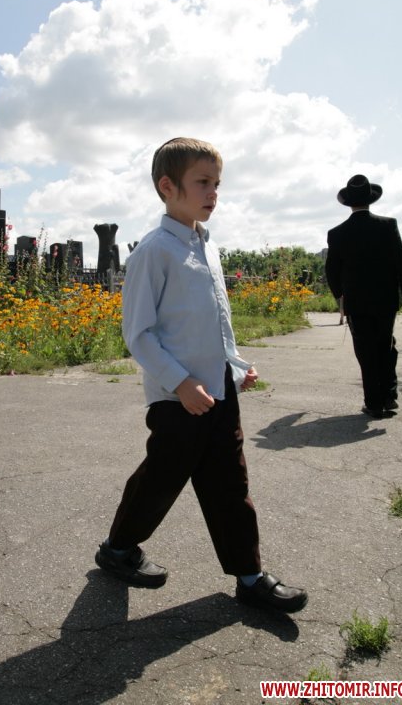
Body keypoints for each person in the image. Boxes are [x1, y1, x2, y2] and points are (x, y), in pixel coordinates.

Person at [95, 137, 308, 613]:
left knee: (231, 485)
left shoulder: (206, 246)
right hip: (177, 399)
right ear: (167, 187)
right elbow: (139, 333)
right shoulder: (154, 251)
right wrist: (180, 382)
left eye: (217, 183)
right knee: (161, 480)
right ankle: (118, 549)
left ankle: (250, 577)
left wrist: (236, 365)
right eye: (203, 182)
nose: (213, 192)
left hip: (219, 392)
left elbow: (216, 320)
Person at [325, 174, 402, 419]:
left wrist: (340, 297)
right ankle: (388, 395)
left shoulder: (337, 233)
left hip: (356, 303)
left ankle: (374, 403)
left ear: (349, 202)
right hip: (386, 300)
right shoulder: (388, 225)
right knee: (386, 346)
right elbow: (401, 264)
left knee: (365, 351)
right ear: (370, 199)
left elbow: (331, 271)